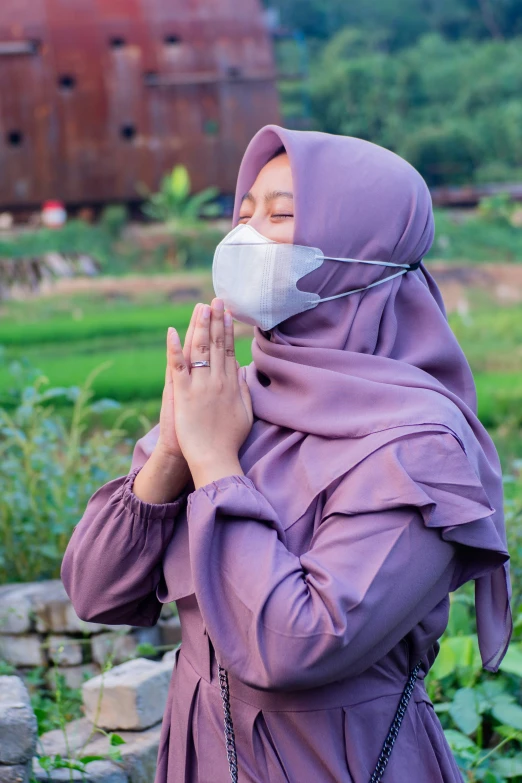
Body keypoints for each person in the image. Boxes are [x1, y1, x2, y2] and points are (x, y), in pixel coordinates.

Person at [61, 125, 512, 783]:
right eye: (243, 213)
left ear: (362, 247)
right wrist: (172, 456)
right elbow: (95, 592)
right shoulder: (232, 399)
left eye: (282, 215)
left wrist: (218, 466)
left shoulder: (418, 446)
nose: (245, 238)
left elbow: (294, 645)